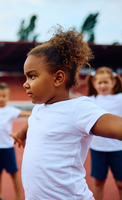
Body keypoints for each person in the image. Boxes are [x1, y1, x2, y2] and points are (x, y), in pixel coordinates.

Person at [9, 27, 122, 200]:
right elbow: (31, 122)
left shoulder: (78, 109)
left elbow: (116, 127)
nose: (25, 84)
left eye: (32, 76)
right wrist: (20, 134)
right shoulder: (40, 108)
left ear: (58, 78)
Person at [86, 67, 122, 200]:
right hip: (97, 149)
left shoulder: (120, 99)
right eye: (99, 82)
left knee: (120, 183)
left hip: (119, 148)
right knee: (98, 182)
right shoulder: (89, 101)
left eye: (106, 82)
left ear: (113, 82)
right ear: (94, 83)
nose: (102, 85)